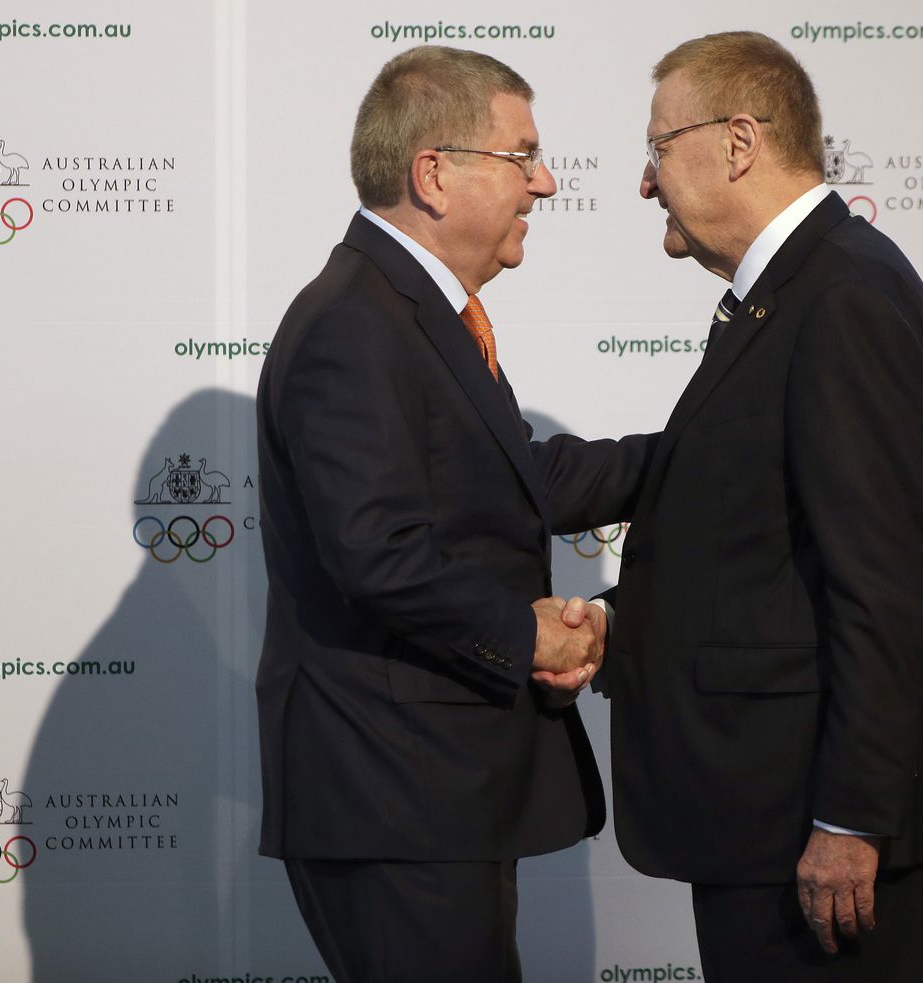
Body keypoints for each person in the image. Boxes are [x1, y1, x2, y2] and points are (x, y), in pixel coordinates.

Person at [598, 31, 923, 982]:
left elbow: (888, 583)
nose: (645, 181)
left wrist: (851, 817)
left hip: (834, 839)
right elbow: (760, 553)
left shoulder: (842, 297)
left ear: (739, 142)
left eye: (659, 147)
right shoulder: (797, 291)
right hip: (774, 818)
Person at [254, 45, 652, 983]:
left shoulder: (411, 310)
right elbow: (376, 551)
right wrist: (527, 634)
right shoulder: (355, 322)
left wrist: (695, 455)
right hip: (395, 794)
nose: (545, 183)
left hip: (431, 794)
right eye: (523, 157)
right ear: (433, 173)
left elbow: (510, 479)